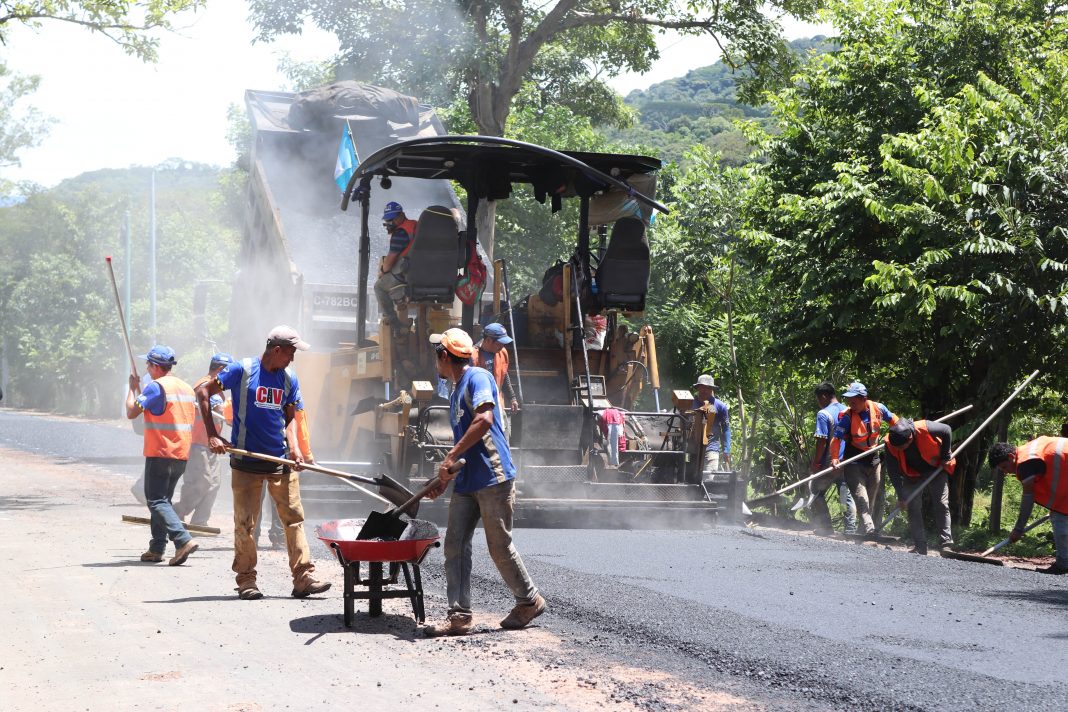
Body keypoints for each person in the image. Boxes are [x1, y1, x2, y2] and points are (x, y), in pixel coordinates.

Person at [423, 328, 545, 636]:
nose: (436, 361)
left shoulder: (478, 378)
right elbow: (467, 441)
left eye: (437, 355)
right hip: (467, 480)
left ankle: (529, 600)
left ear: (444, 356)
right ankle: (459, 615)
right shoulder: (455, 390)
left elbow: (484, 419)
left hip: (493, 476)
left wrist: (450, 456)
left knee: (499, 546)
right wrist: (447, 476)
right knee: (454, 544)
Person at [197, 325, 330, 600]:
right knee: (245, 524)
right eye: (291, 353)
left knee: (294, 519)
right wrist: (212, 435)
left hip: (279, 460)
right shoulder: (242, 370)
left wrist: (295, 449)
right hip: (246, 461)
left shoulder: (289, 378)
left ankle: (303, 577)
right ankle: (246, 580)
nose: (292, 358)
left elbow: (290, 418)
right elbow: (202, 392)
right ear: (277, 350)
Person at [125, 345, 199, 566]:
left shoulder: (157, 387)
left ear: (156, 366)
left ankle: (182, 539)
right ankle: (157, 548)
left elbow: (131, 412)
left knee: (155, 500)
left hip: (161, 452)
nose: (147, 369)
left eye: (148, 365)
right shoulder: (186, 388)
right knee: (162, 500)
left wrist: (132, 389)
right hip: (181, 454)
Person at [988, 438, 1068, 575]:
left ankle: (1063, 565)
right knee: (1059, 514)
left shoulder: (1026, 463)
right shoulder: (1028, 450)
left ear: (1011, 456)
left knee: (1059, 518)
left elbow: (1028, 498)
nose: (1006, 472)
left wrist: (1018, 529)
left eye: (1005, 467)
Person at [829, 382, 898, 535]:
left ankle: (863, 533)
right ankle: (870, 528)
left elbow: (896, 422)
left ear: (863, 399)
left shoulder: (879, 409)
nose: (850, 405)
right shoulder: (847, 417)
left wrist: (903, 432)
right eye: (849, 401)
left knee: (870, 501)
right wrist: (834, 458)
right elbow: (836, 439)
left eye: (853, 402)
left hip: (873, 460)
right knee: (862, 498)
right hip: (854, 461)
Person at [174, 353, 233, 527]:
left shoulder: (217, 389)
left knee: (214, 483)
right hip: (197, 443)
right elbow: (220, 411)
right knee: (202, 481)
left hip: (211, 445)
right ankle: (177, 511)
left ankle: (200, 522)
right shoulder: (205, 385)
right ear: (221, 370)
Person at [884, 418, 954, 554]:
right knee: (912, 506)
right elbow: (892, 471)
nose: (898, 450)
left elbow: (947, 430)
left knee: (941, 503)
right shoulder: (890, 443)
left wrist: (945, 457)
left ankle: (946, 543)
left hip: (936, 468)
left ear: (909, 439)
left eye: (901, 448)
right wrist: (901, 496)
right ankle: (920, 545)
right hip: (912, 473)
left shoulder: (923, 427)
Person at [807, 382, 857, 536]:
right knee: (845, 495)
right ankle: (850, 529)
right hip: (847, 461)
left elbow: (821, 441)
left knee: (816, 491)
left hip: (829, 462)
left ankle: (826, 527)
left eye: (818, 399)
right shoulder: (848, 410)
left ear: (823, 396)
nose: (818, 403)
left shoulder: (823, 414)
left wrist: (816, 463)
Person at [373, 201, 419, 330]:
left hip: (406, 274)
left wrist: (382, 271)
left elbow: (390, 260)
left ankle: (396, 326)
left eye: (391, 219)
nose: (389, 223)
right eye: (387, 220)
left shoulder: (400, 233)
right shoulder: (415, 225)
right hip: (420, 272)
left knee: (379, 287)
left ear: (401, 215)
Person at [473, 323, 520, 414]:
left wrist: (512, 397)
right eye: (499, 344)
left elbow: (504, 375)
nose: (502, 347)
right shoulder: (473, 356)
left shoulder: (502, 353)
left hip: (497, 403)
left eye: (503, 344)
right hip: (478, 406)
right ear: (488, 340)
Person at [692, 375, 731, 474]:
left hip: (711, 448)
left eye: (708, 388)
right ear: (698, 387)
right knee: (691, 478)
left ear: (712, 389)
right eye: (703, 387)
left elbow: (726, 429)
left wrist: (726, 450)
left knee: (709, 478)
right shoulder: (690, 404)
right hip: (692, 449)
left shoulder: (720, 406)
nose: (705, 390)